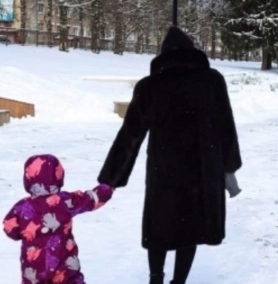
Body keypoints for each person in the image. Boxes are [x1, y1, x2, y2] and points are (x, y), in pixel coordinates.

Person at [98, 26, 242, 284]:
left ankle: (156, 278)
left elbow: (130, 134)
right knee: (191, 227)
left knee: (159, 226)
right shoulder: (212, 81)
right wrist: (230, 164)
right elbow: (226, 126)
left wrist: (113, 175)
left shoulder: (151, 86)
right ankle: (178, 282)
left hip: (164, 172)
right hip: (202, 170)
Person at [4, 154, 113, 284]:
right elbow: (91, 199)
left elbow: (10, 228)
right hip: (64, 268)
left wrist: (28, 234)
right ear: (58, 177)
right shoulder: (64, 201)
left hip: (34, 271)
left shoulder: (22, 207)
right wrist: (108, 186)